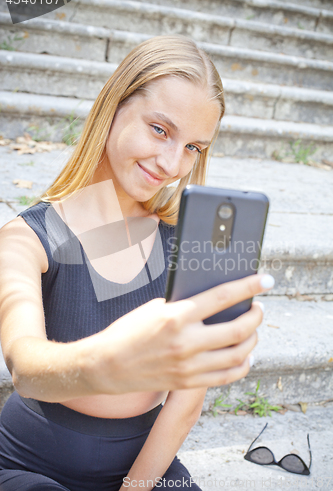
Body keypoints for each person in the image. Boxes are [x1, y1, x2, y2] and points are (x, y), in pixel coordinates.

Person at [0, 35, 273, 491]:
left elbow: (186, 400)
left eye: (194, 148)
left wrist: (136, 486)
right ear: (114, 106)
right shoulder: (28, 236)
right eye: (161, 130)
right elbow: (25, 368)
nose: (172, 164)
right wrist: (109, 361)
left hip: (146, 468)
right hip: (30, 465)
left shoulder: (188, 246)